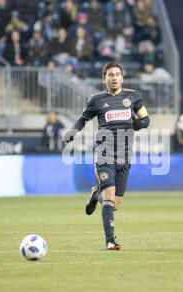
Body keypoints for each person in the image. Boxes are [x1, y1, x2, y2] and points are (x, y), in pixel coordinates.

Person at [63, 62, 150, 250]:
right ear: (104, 78)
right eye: (110, 74)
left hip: (124, 157)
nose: (114, 78)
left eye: (117, 74)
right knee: (109, 196)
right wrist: (72, 132)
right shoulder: (96, 100)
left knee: (114, 204)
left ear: (122, 77)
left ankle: (96, 194)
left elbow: (146, 120)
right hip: (104, 155)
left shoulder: (133, 97)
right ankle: (110, 241)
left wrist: (137, 123)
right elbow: (82, 120)